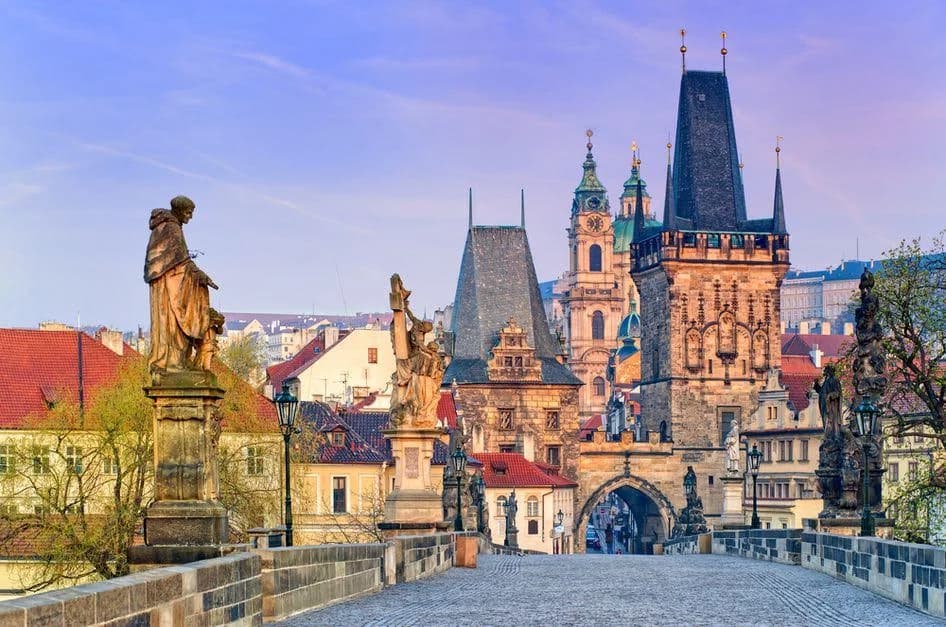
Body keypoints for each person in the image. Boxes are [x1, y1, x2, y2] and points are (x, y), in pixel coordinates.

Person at [144, 196, 218, 373]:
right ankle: (169, 362)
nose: (190, 217)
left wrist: (199, 275)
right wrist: (198, 274)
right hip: (167, 285)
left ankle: (175, 361)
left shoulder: (171, 227)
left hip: (173, 281)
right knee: (170, 324)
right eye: (188, 212)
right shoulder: (170, 227)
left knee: (175, 327)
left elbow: (181, 259)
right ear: (178, 210)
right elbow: (177, 260)